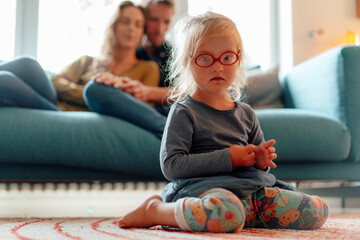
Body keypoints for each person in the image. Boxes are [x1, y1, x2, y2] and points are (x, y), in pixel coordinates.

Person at [116, 12, 329, 233]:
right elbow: (171, 166)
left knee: (316, 209)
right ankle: (156, 210)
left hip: (252, 192)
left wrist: (260, 160)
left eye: (227, 58)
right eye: (205, 58)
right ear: (188, 61)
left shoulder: (246, 113)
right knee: (228, 213)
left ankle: (242, 217)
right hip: (206, 192)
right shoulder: (184, 111)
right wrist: (228, 158)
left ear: (238, 58)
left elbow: (258, 162)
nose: (218, 67)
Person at [0, 1, 159, 113]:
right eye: (125, 21)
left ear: (142, 33)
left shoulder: (147, 68)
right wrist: (88, 94)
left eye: (138, 25)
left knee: (5, 81)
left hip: (60, 111)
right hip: (53, 100)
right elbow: (56, 81)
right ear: (114, 26)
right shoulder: (88, 61)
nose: (131, 28)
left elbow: (140, 109)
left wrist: (93, 95)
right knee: (28, 64)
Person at [84, 1, 174, 138]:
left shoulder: (172, 56)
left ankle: (172, 135)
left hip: (160, 113)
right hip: (116, 106)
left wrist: (147, 92)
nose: (160, 27)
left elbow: (190, 92)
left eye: (166, 22)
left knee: (94, 88)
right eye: (154, 20)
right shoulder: (134, 51)